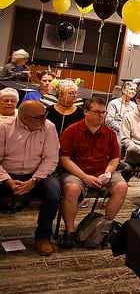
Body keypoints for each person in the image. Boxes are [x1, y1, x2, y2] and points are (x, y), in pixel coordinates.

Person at [57, 98, 128, 248]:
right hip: (77, 172)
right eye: (96, 112)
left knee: (122, 187)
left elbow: (115, 157)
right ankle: (69, 232)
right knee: (72, 189)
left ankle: (103, 227)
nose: (100, 115)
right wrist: (85, 177)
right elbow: (64, 159)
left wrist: (108, 173)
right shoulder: (72, 130)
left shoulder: (109, 133)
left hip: (102, 171)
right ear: (86, 112)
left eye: (103, 112)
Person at [0, 101, 60, 255]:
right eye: (40, 117)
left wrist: (33, 181)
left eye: (44, 116)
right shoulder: (4, 128)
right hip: (8, 173)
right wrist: (8, 180)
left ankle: (43, 237)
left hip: (37, 173)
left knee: (54, 192)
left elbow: (50, 159)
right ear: (24, 118)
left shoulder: (49, 127)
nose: (44, 120)